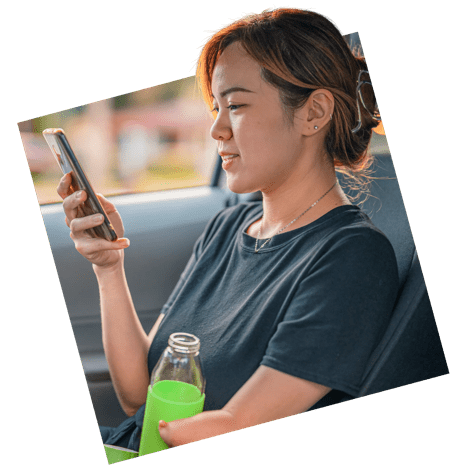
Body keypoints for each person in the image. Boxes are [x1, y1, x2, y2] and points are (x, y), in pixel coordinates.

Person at [57, 7, 399, 451]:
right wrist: (108, 265)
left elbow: (234, 426)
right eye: (216, 107)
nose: (216, 129)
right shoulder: (230, 227)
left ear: (313, 112)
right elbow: (141, 398)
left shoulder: (351, 257)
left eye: (235, 105)